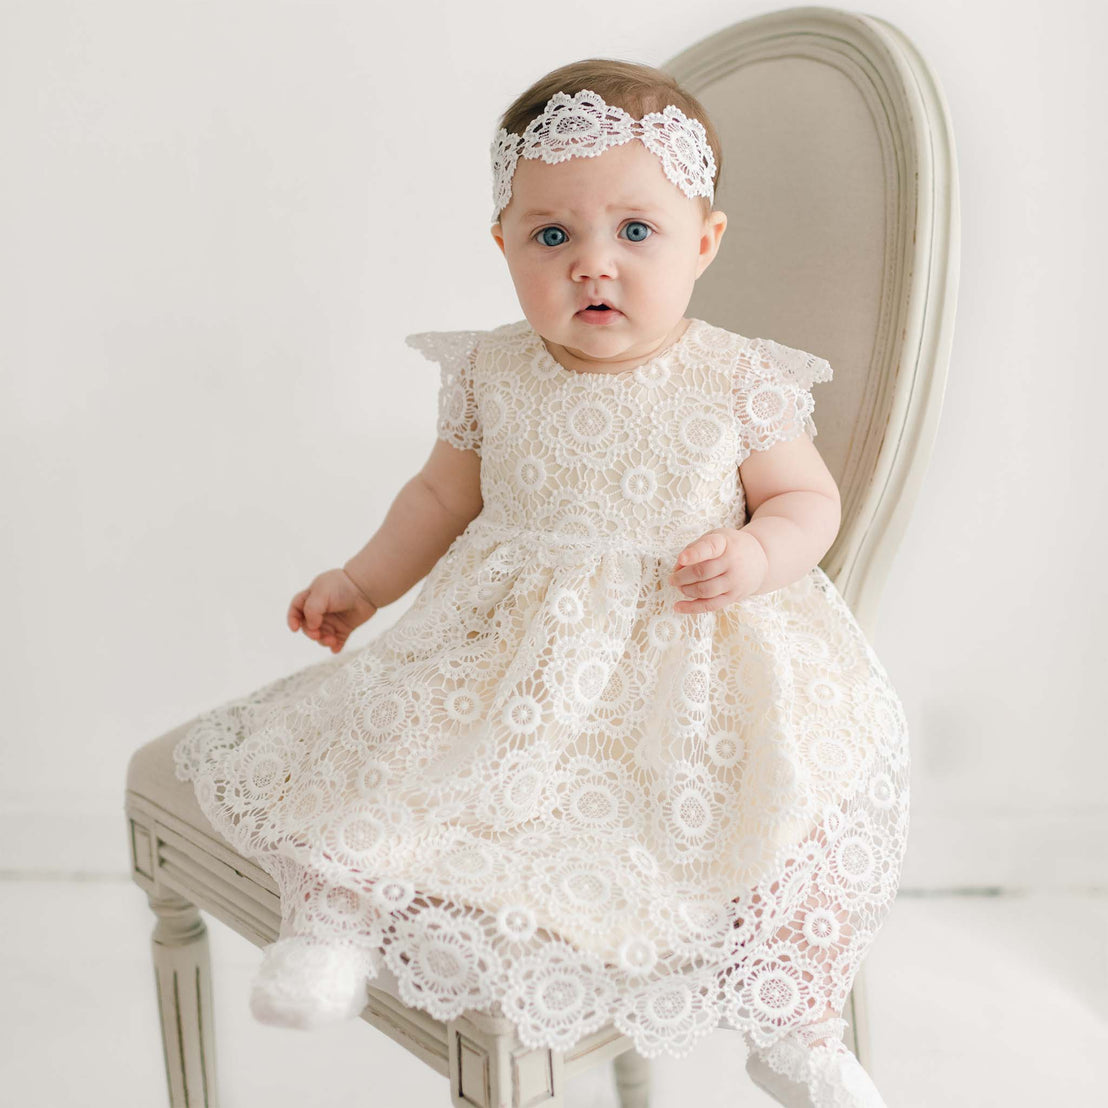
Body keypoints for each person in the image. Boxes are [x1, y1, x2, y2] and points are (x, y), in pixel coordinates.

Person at [173, 57, 909, 1108]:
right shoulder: (492, 370)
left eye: (635, 233)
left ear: (704, 242)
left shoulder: (739, 378)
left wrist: (756, 553)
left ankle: (793, 1018)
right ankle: (332, 919)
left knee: (789, 807)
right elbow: (436, 500)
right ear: (504, 244)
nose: (591, 266)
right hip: (502, 656)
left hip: (686, 656)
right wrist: (361, 583)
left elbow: (808, 502)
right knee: (390, 744)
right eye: (551, 235)